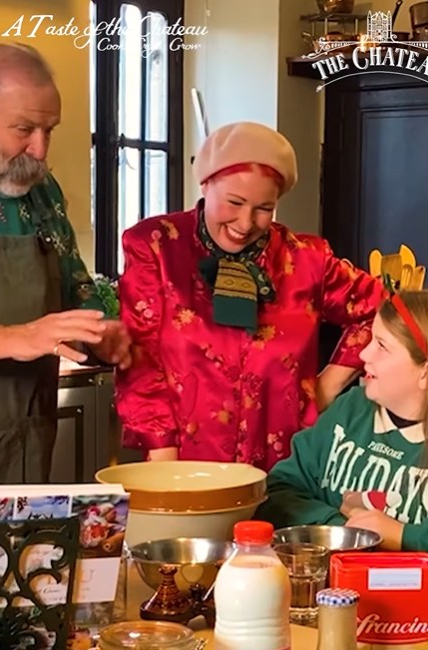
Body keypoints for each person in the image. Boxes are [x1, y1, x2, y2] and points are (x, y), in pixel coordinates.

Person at [116, 121, 385, 471]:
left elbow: (378, 307)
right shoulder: (156, 247)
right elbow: (140, 359)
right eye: (234, 202)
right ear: (206, 183)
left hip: (286, 467)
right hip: (182, 463)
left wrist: (326, 387)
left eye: (264, 208)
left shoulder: (305, 258)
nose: (245, 223)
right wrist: (164, 463)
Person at [0, 43, 132, 482]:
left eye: (49, 130)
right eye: (24, 129)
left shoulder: (41, 190)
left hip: (25, 438)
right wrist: (16, 337)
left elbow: (78, 288)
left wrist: (101, 332)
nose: (39, 149)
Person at [257, 288, 428, 568]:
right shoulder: (349, 411)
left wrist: (404, 536)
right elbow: (279, 490)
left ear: (427, 373)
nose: (364, 354)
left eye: (382, 345)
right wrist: (342, 533)